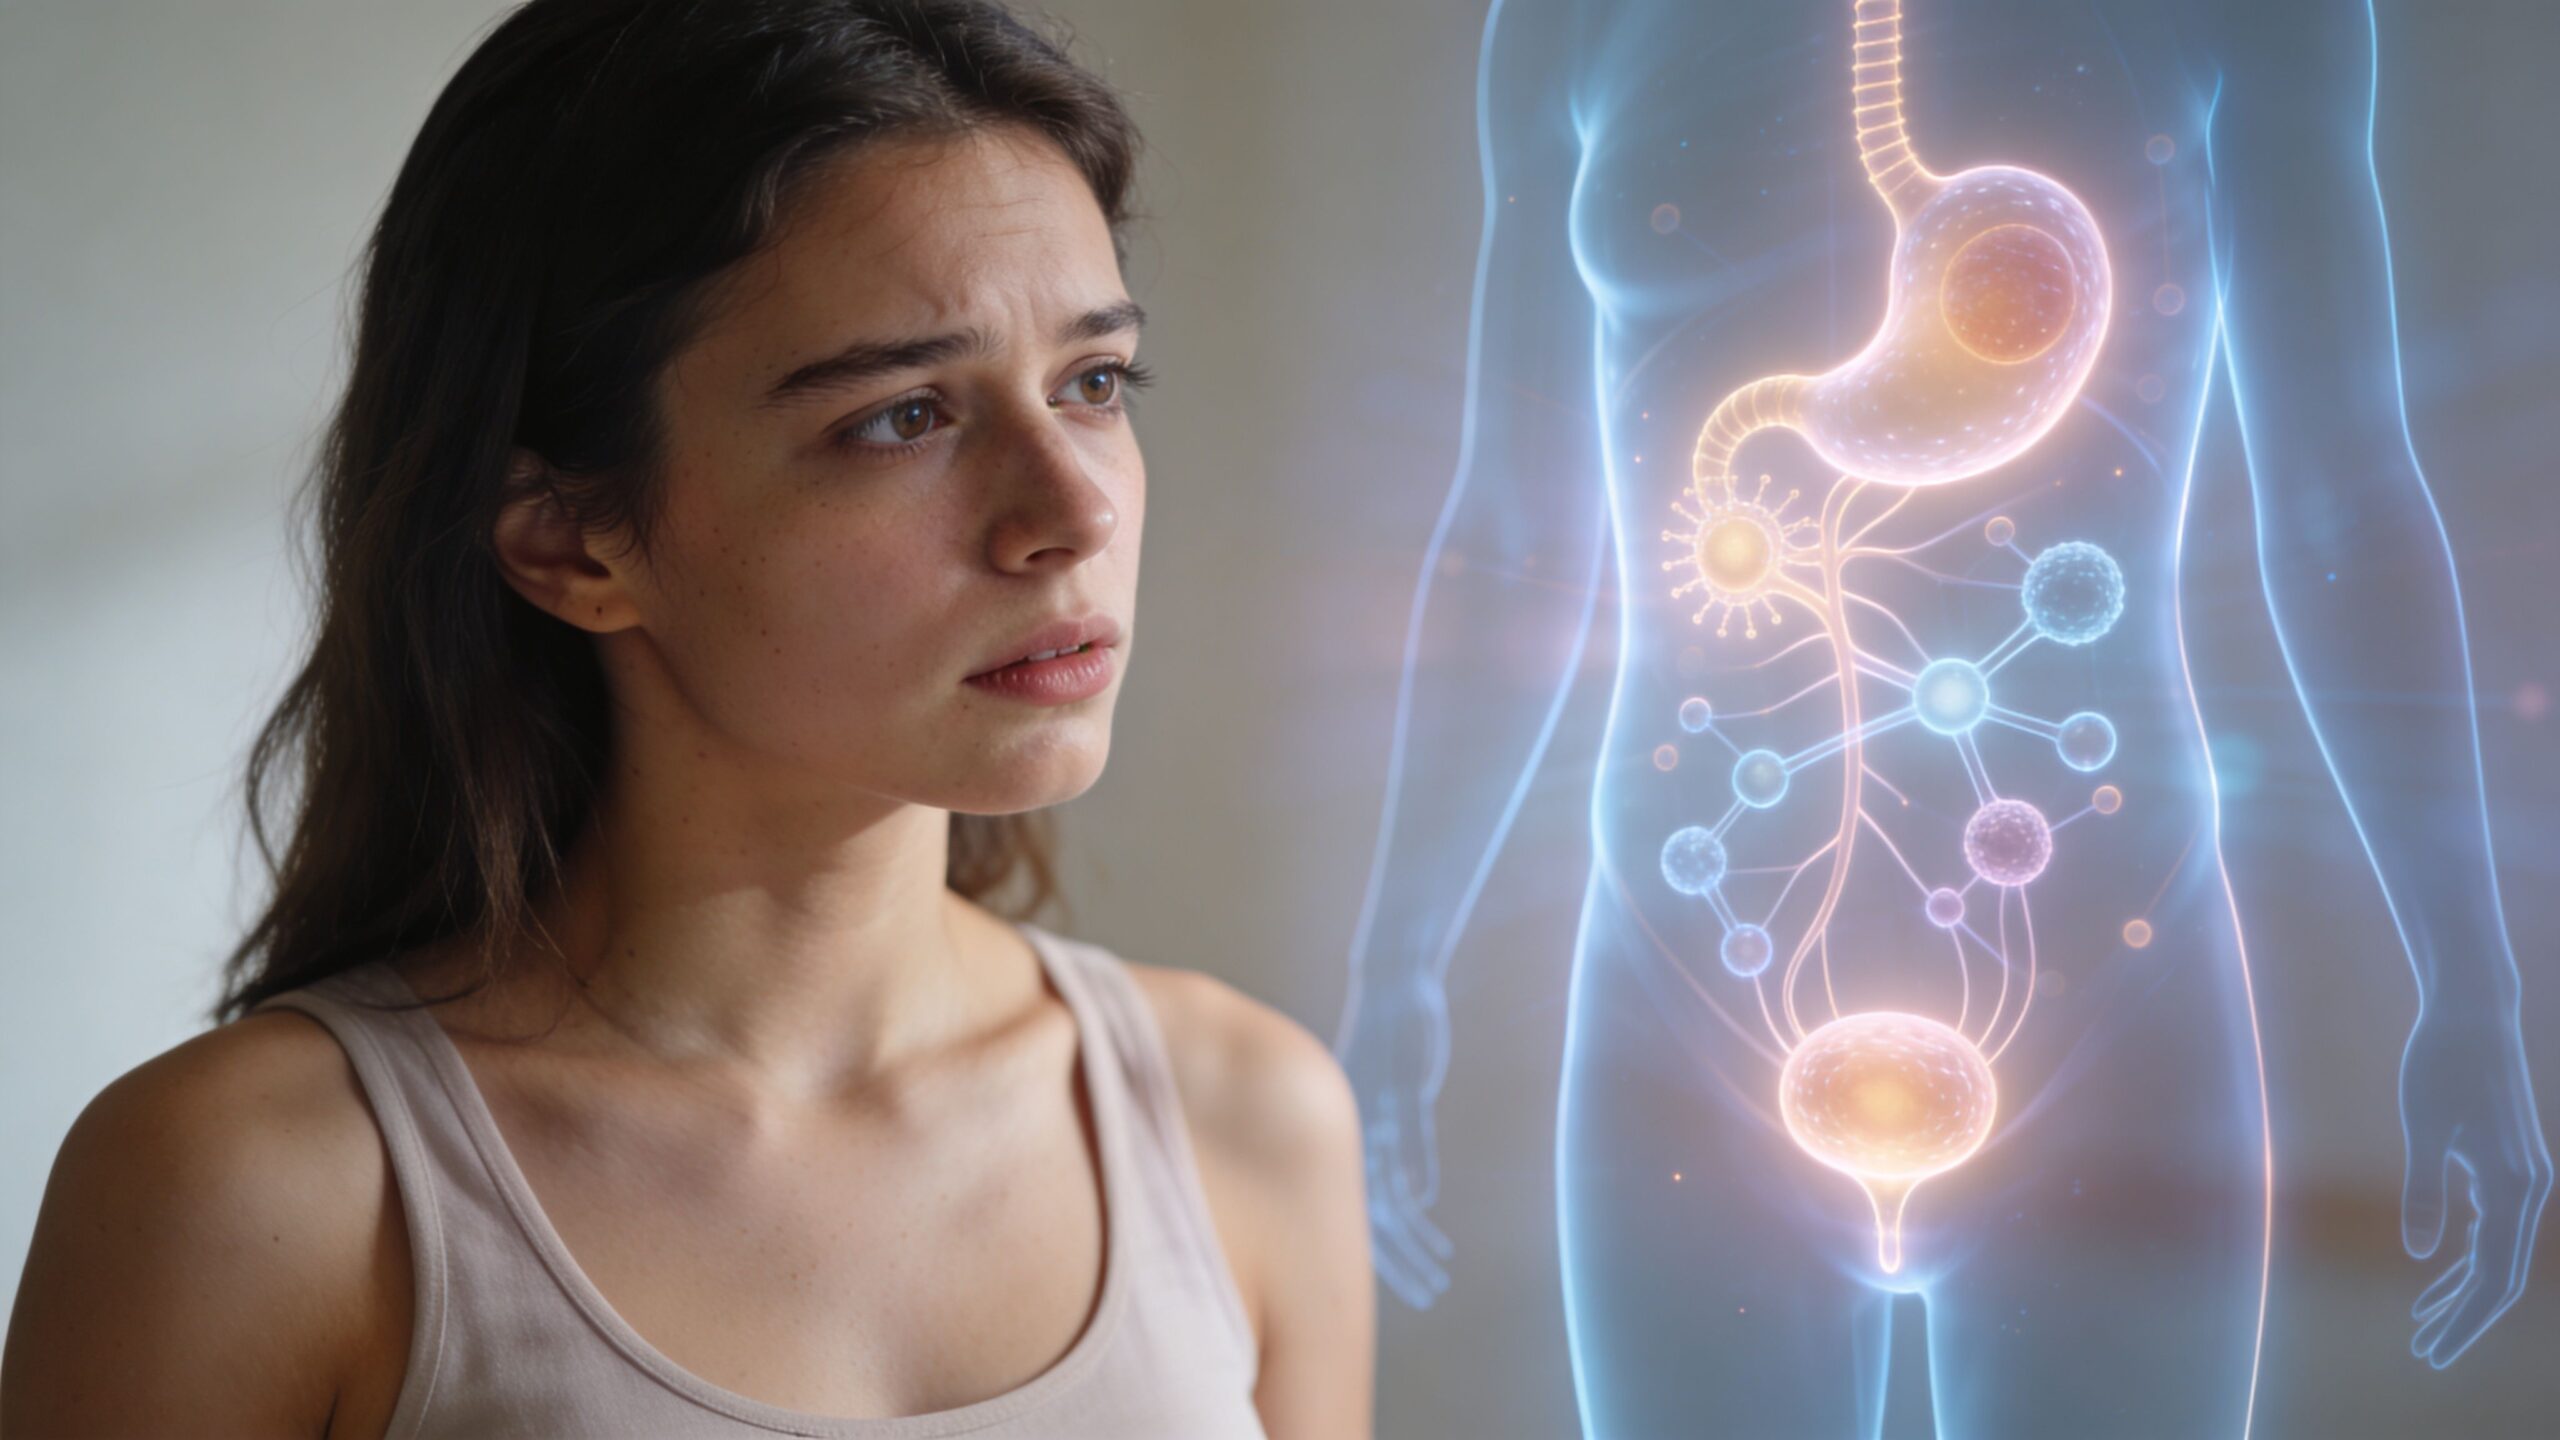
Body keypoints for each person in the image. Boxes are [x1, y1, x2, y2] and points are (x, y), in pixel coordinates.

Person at [1, 3, 1371, 1436]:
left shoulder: (1243, 1120)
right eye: (905, 416)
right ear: (569, 542)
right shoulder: (257, 1195)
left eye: (1093, 382)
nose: (1076, 510)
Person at [1334, 0, 2549, 1433]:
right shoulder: (1569, 20)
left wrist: (2471, 985)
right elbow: (1519, 532)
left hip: (2110, 1004)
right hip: (1685, 1010)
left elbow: (2340, 498)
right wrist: (1398, 956)